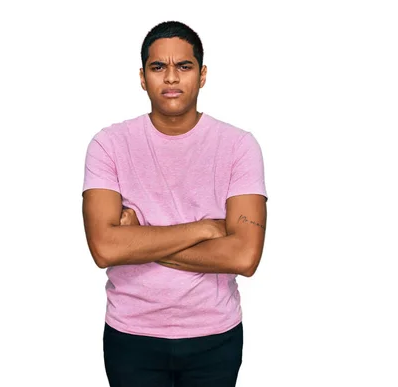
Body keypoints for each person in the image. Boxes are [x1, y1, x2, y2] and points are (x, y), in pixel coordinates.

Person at [82, 20, 268, 387]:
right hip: (131, 334)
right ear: (141, 77)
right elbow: (104, 248)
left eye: (183, 66)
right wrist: (204, 229)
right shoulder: (108, 145)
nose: (170, 78)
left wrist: (138, 241)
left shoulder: (238, 146)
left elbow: (244, 257)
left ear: (202, 76)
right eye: (158, 67)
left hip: (215, 335)